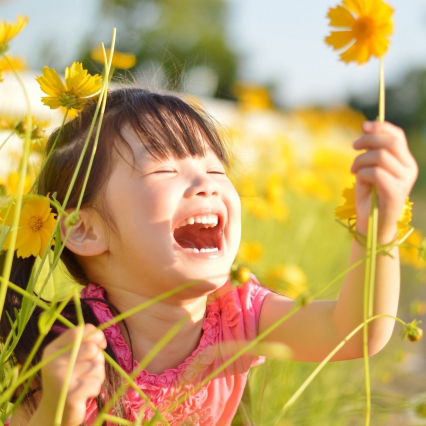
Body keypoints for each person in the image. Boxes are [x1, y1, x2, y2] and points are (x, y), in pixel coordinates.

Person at [2, 87, 418, 426]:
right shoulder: (69, 346)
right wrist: (58, 409)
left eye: (216, 170)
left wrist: (380, 226)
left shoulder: (237, 315)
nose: (205, 183)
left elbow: (354, 331)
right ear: (85, 230)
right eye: (164, 170)